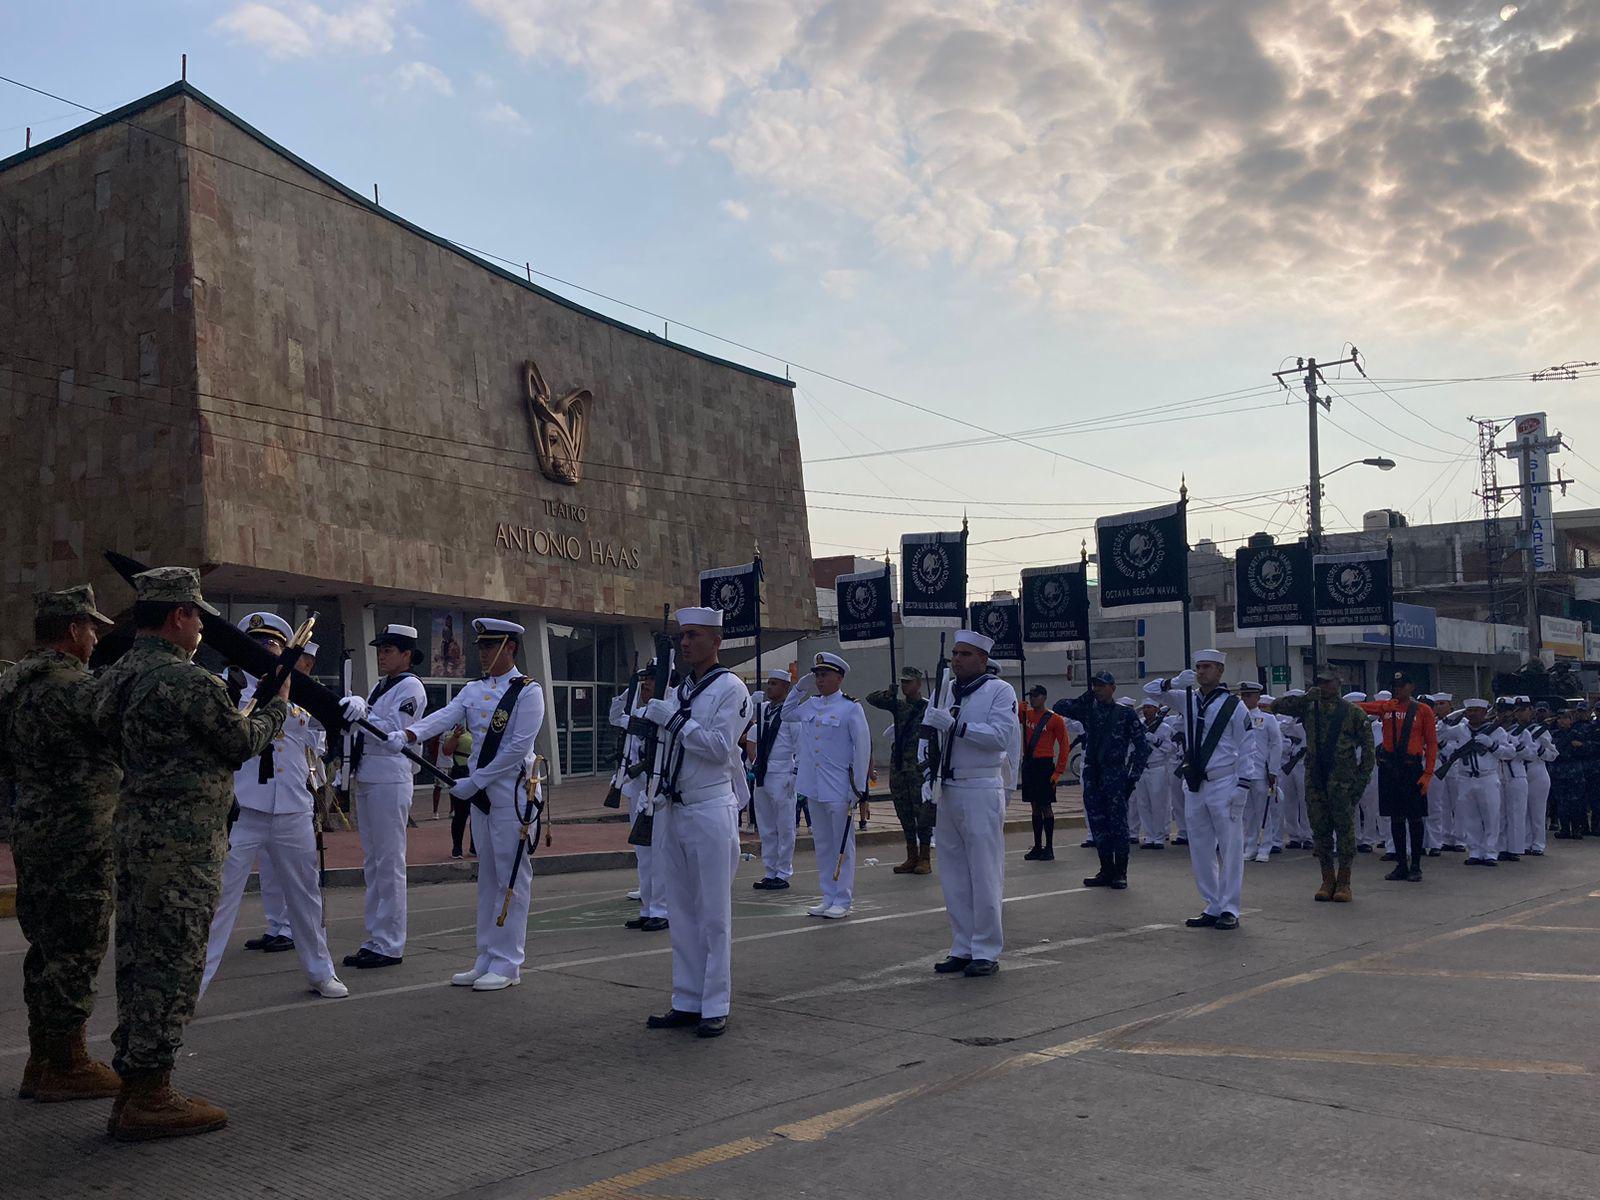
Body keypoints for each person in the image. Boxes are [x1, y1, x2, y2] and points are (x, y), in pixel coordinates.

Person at [94, 567, 289, 1140]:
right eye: (198, 616)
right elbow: (240, 741)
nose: (201, 628)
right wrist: (277, 706)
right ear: (178, 614)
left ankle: (133, 1082)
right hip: (183, 847)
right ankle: (150, 1095)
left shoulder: (115, 675)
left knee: (137, 959)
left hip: (135, 836)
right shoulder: (188, 681)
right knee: (173, 963)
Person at [2, 585, 122, 1103]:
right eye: (92, 628)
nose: (95, 638)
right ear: (73, 629)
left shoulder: (13, 684)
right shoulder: (77, 689)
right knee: (76, 948)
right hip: (80, 834)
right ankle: (67, 1063)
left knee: (46, 948)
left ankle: (42, 1058)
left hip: (33, 827)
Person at [392, 618, 546, 991]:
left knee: (511, 879)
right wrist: (408, 733)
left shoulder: (528, 691)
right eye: (480, 647)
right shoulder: (473, 689)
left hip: (510, 796)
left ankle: (508, 963)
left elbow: (517, 749)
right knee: (487, 880)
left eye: (490, 646)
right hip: (480, 797)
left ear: (510, 647)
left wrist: (476, 780)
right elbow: (445, 716)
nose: (483, 653)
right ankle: (486, 957)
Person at [199, 620, 345, 999]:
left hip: (292, 807)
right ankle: (194, 984)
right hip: (242, 809)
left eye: (274, 645)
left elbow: (321, 735)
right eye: (259, 644)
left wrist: (345, 710)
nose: (267, 650)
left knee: (306, 896)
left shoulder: (299, 693)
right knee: (220, 899)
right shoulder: (227, 689)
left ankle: (320, 971)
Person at [638, 607, 749, 1038]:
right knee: (681, 911)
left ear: (716, 641)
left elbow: (720, 748)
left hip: (710, 807)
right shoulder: (681, 688)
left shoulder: (730, 688)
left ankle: (715, 1003)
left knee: (713, 913)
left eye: (694, 635)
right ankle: (686, 998)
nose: (685, 643)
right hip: (674, 807)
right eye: (682, 635)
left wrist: (675, 720)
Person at [920, 630, 1017, 977]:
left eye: (965, 654)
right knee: (954, 874)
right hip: (946, 786)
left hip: (980, 785)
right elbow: (927, 735)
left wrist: (956, 725)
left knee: (984, 871)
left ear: (982, 659)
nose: (957, 659)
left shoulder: (999, 691)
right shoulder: (944, 690)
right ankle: (962, 945)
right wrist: (926, 771)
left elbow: (1000, 737)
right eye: (955, 654)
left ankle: (986, 949)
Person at [336, 624, 427, 969]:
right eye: (381, 650)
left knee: (389, 863)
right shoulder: (381, 685)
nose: (382, 656)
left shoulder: (411, 686)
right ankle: (375, 937)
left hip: (390, 777)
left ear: (407, 654)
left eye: (388, 650)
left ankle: (389, 944)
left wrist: (362, 713)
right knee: (373, 862)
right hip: (369, 776)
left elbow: (392, 731)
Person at [1145, 651, 1255, 928]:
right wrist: (1172, 682)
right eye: (1198, 667)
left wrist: (1243, 785)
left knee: (1230, 847)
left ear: (1220, 670)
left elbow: (1247, 748)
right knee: (1200, 848)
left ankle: (1230, 908)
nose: (1201, 672)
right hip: (1195, 783)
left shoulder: (1234, 706)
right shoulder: (1187, 698)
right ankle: (1212, 904)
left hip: (1224, 781)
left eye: (1207, 667)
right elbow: (1151, 691)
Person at [1269, 668, 1376, 902]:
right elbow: (1276, 706)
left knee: (1345, 832)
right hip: (1316, 778)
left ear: (1339, 683)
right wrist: (1306, 698)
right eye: (1320, 682)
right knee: (1320, 830)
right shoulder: (1309, 707)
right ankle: (1327, 879)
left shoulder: (1352, 713)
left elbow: (1369, 753)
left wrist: (1360, 783)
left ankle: (1344, 881)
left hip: (1343, 781)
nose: (1324, 686)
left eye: (1328, 682)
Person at [781, 652, 872, 918]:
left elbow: (862, 748)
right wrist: (799, 689)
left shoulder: (850, 708)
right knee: (822, 844)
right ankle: (828, 895)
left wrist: (858, 788)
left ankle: (842, 899)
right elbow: (786, 714)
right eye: (817, 675)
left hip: (839, 787)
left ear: (839, 678)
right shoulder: (810, 705)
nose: (819, 680)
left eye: (825, 675)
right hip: (813, 785)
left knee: (842, 844)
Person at [1055, 671, 1149, 889]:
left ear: (1113, 688)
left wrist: (1132, 777)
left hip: (1115, 775)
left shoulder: (1125, 714)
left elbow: (1142, 747)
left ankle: (1120, 872)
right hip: (1093, 775)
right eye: (1095, 686)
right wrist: (1085, 697)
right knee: (1098, 824)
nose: (1097, 689)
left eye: (1101, 685)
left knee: (1118, 825)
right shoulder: (1088, 710)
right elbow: (1060, 707)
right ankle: (1106, 869)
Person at [1356, 672, 1438, 884]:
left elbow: (1431, 743)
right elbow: (1357, 707)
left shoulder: (1422, 710)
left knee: (1415, 818)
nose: (1398, 689)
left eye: (1402, 685)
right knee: (1396, 818)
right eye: (1395, 686)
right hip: (1390, 768)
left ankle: (1416, 865)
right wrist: (1383, 707)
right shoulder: (1386, 707)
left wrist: (1428, 773)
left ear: (1411, 687)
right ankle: (1401, 864)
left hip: (1412, 768)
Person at [610, 665, 668, 927]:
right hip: (637, 789)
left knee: (659, 853)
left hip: (658, 790)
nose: (646, 686)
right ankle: (647, 908)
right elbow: (615, 717)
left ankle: (661, 910)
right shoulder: (640, 713)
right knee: (643, 852)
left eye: (651, 681)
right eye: (644, 682)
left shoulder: (668, 711)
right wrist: (629, 691)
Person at [866, 666, 933, 875]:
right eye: (903, 682)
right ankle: (911, 856)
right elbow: (871, 699)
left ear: (919, 684)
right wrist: (889, 693)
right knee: (904, 813)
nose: (905, 686)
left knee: (921, 814)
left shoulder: (927, 708)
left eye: (908, 682)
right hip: (899, 767)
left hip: (918, 769)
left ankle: (925, 857)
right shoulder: (899, 706)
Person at [1436, 698, 1514, 866]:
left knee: (1491, 817)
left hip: (1487, 777)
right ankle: (1475, 852)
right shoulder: (1461, 729)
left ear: (1484, 712)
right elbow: (1438, 734)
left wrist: (1492, 745)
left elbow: (1510, 753)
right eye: (1469, 711)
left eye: (1476, 710)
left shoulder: (1497, 731)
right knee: (1470, 817)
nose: (1472, 714)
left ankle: (1490, 853)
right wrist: (1448, 719)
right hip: (1465, 777)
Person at [746, 667, 799, 890]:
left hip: (782, 771)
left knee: (784, 826)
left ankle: (783, 872)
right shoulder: (763, 710)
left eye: (774, 683)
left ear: (786, 687)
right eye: (768, 683)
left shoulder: (791, 713)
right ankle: (770, 871)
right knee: (766, 825)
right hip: (762, 771)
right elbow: (743, 723)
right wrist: (751, 704)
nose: (769, 687)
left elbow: (800, 746)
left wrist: (795, 775)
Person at [1018, 685, 1070, 861]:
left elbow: (1064, 745)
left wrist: (1058, 771)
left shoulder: (1055, 719)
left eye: (1036, 696)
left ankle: (1049, 847)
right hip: (1030, 763)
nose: (1032, 699)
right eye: (1031, 696)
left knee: (1046, 806)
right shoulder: (1027, 715)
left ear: (1044, 697)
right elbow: (1012, 719)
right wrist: (1019, 709)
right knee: (1034, 805)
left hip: (1044, 764)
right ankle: (1037, 845)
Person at [1238, 683, 1282, 864]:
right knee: (1246, 813)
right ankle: (1250, 847)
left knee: (1263, 812)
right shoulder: (1237, 717)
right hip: (1242, 772)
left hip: (1260, 771)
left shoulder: (1267, 719)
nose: (1245, 699)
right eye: (1243, 695)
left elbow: (1276, 744)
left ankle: (1265, 847)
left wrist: (1273, 770)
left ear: (1257, 698)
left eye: (1249, 696)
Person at [1133, 699, 1177, 849]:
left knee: (1158, 804)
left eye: (1150, 707)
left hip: (1157, 767)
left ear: (1156, 710)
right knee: (1143, 804)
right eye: (1144, 707)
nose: (1146, 710)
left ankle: (1159, 837)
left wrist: (1156, 741)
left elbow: (1171, 749)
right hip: (1142, 768)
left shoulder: (1164, 728)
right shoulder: (1139, 725)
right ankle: (1149, 836)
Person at [1495, 697, 1533, 863]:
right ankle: (1500, 847)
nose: (1503, 714)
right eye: (1500, 711)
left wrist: (1518, 746)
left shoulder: (1523, 732)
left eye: (1507, 711)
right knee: (1499, 813)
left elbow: (1531, 755)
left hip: (1516, 773)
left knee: (1516, 813)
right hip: (1497, 773)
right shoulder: (1493, 731)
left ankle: (1515, 848)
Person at [1520, 697, 1556, 856]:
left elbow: (1553, 754)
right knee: (1523, 811)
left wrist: (1540, 751)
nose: (1522, 713)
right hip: (1519, 772)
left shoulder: (1540, 730)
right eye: (1518, 710)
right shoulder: (1513, 729)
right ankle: (1525, 843)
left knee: (1537, 811)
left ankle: (1538, 844)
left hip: (1537, 770)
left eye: (1525, 710)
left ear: (1531, 711)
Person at [1550, 708, 1591, 840]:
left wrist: (1580, 746)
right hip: (1559, 772)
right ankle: (1565, 829)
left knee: (1576, 803)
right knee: (1561, 803)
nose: (1562, 721)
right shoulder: (1553, 735)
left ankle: (1576, 829)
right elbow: (1555, 751)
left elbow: (1587, 750)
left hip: (1575, 773)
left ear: (1571, 720)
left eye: (1565, 718)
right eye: (1560, 718)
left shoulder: (1579, 733)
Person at [444, 723, 476, 858]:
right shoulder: (455, 732)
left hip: (477, 773)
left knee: (477, 813)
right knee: (460, 813)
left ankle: (474, 846)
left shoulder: (480, 731)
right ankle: (457, 848)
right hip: (461, 772)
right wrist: (455, 736)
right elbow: (446, 751)